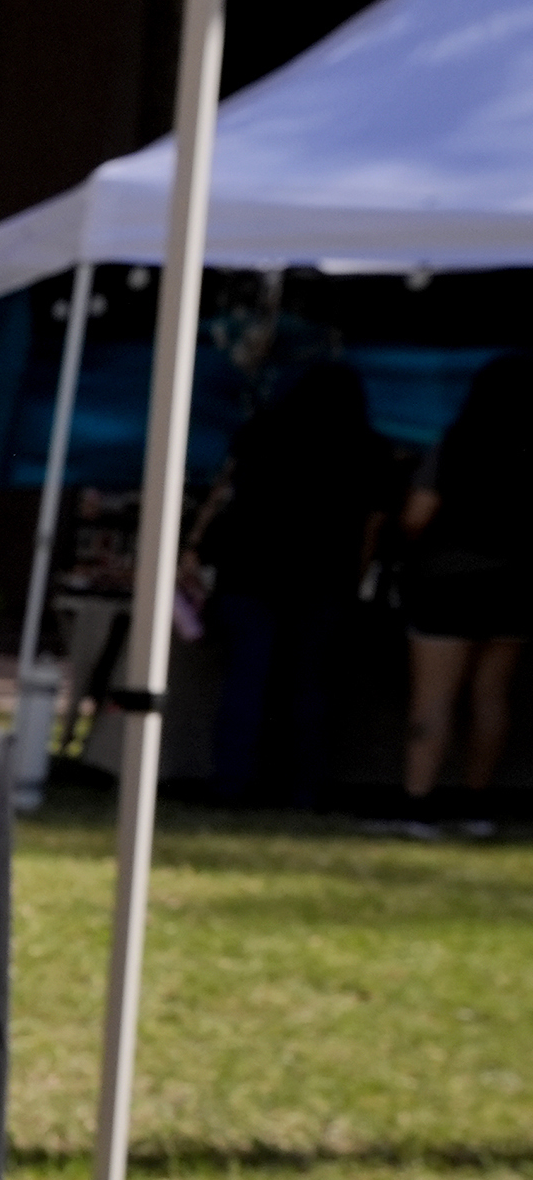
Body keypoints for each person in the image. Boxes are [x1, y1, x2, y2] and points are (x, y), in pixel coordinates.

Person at [190, 360, 396, 811]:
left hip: (250, 571)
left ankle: (230, 782)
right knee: (309, 686)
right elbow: (370, 530)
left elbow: (225, 493)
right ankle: (303, 788)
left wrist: (194, 546)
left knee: (246, 680)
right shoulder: (369, 450)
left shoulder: (261, 434)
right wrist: (355, 583)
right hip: (324, 578)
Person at [397, 350, 531, 835]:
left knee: (432, 699)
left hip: (447, 582)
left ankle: (418, 804)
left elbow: (416, 516)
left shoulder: (456, 444)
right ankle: (478, 806)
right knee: (491, 698)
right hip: (515, 585)